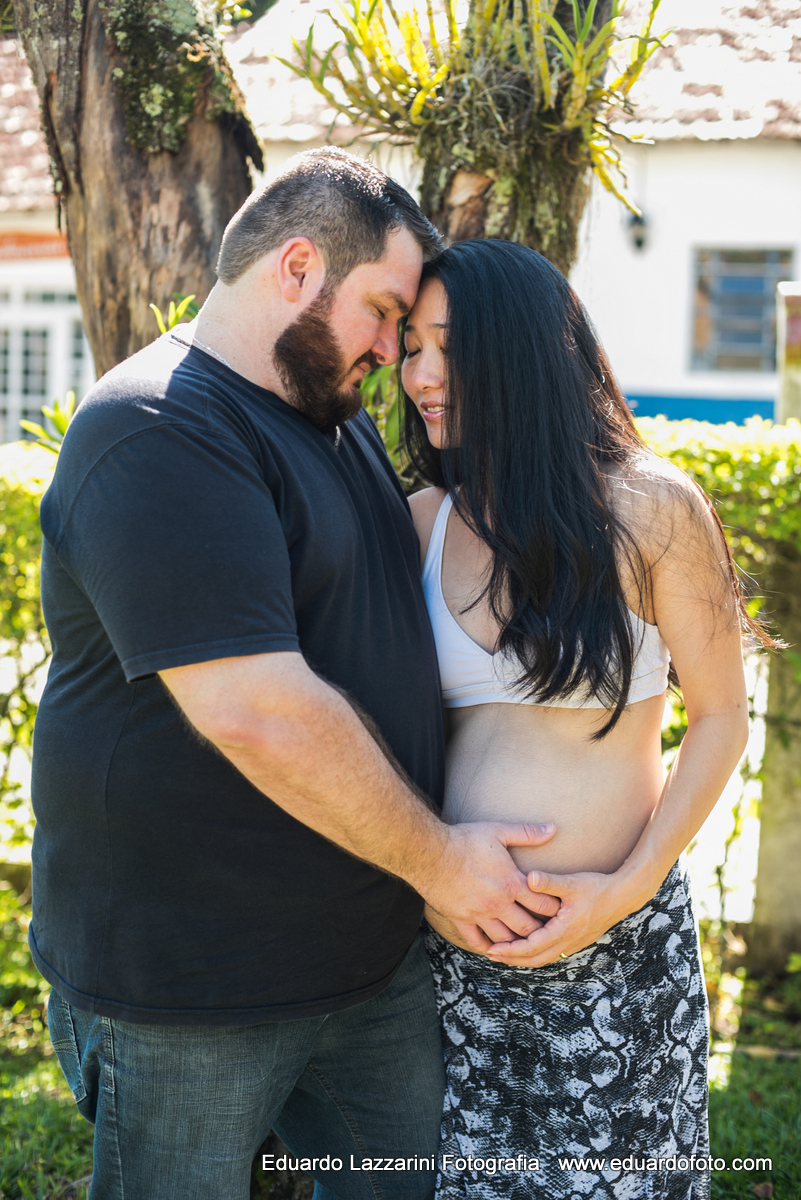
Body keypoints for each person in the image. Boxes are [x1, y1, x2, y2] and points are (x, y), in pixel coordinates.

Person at [30, 154, 559, 1200]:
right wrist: (445, 863)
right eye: (382, 312)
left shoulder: (334, 419)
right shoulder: (156, 428)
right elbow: (257, 710)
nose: (392, 350)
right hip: (190, 988)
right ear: (300, 264)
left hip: (368, 968)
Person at [402, 239, 769, 1200]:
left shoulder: (652, 509)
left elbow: (722, 719)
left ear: (522, 350)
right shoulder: (418, 519)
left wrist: (624, 887)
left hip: (620, 955)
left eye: (446, 346)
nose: (421, 375)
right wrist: (427, 876)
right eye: (409, 347)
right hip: (453, 963)